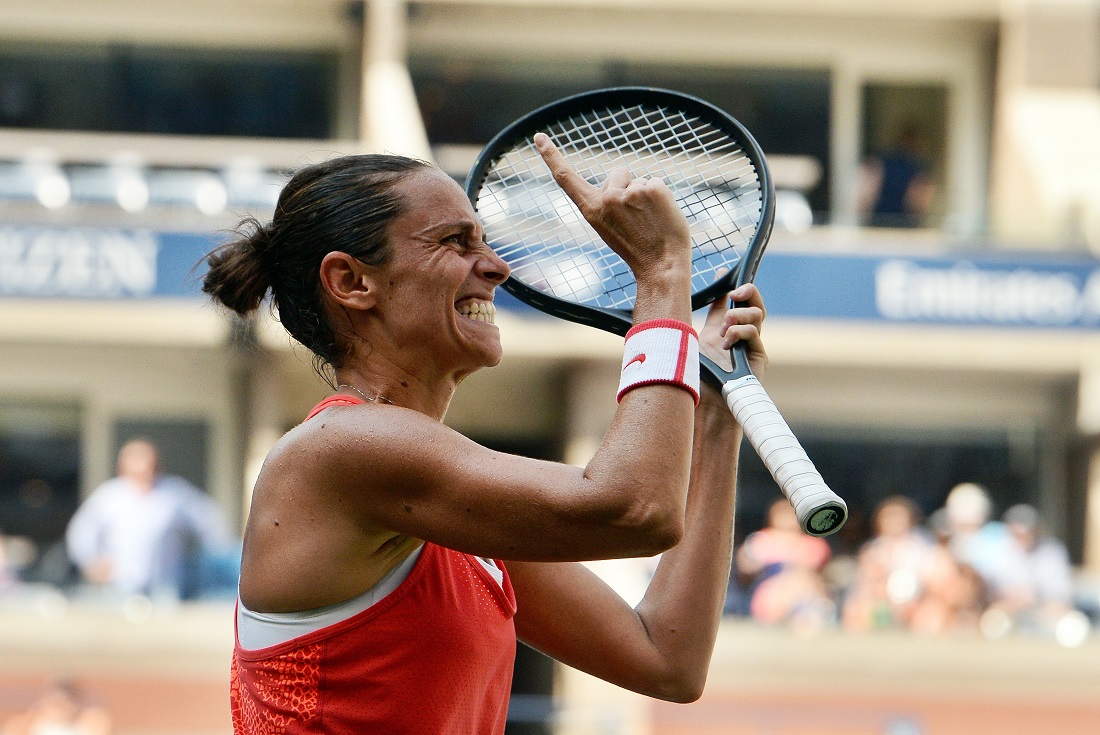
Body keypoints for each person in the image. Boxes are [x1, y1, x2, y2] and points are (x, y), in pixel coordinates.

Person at [202, 133, 769, 733]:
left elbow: (666, 659)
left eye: (486, 241)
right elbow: (636, 510)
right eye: (455, 241)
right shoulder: (343, 448)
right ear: (350, 281)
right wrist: (660, 278)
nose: (497, 268)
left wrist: (714, 422)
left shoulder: (448, 509)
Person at [65, 439, 234, 601]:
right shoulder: (110, 496)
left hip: (166, 586)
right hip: (120, 586)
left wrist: (210, 560)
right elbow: (81, 531)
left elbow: (210, 521)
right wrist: (91, 561)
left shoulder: (173, 492)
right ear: (123, 467)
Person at [735, 499, 833, 632]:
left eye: (790, 515)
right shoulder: (763, 539)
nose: (787, 520)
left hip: (802, 594)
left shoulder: (812, 543)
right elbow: (745, 566)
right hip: (769, 595)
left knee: (801, 581)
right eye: (782, 514)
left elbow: (814, 569)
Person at [842, 495, 935, 632]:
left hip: (918, 599)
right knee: (857, 606)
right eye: (889, 517)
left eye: (898, 517)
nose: (894, 522)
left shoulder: (923, 546)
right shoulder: (872, 550)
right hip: (881, 600)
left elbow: (932, 577)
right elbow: (866, 581)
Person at [857, 123, 935, 228]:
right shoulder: (918, 168)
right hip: (899, 224)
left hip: (880, 222)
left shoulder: (881, 161)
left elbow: (865, 198)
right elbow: (917, 204)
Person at [1, 677, 112, 735]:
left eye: (66, 701)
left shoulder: (88, 724)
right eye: (55, 700)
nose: (60, 706)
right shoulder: (29, 724)